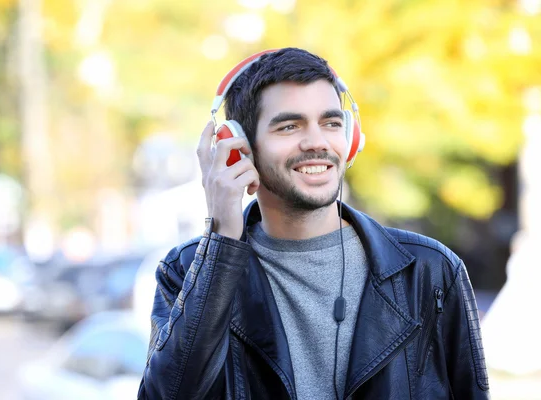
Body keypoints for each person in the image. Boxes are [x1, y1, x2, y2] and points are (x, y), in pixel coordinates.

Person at [137, 48, 490, 399]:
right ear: (239, 149)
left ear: (351, 139)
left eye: (331, 123)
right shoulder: (185, 272)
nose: (317, 142)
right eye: (289, 126)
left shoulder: (430, 272)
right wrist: (223, 241)